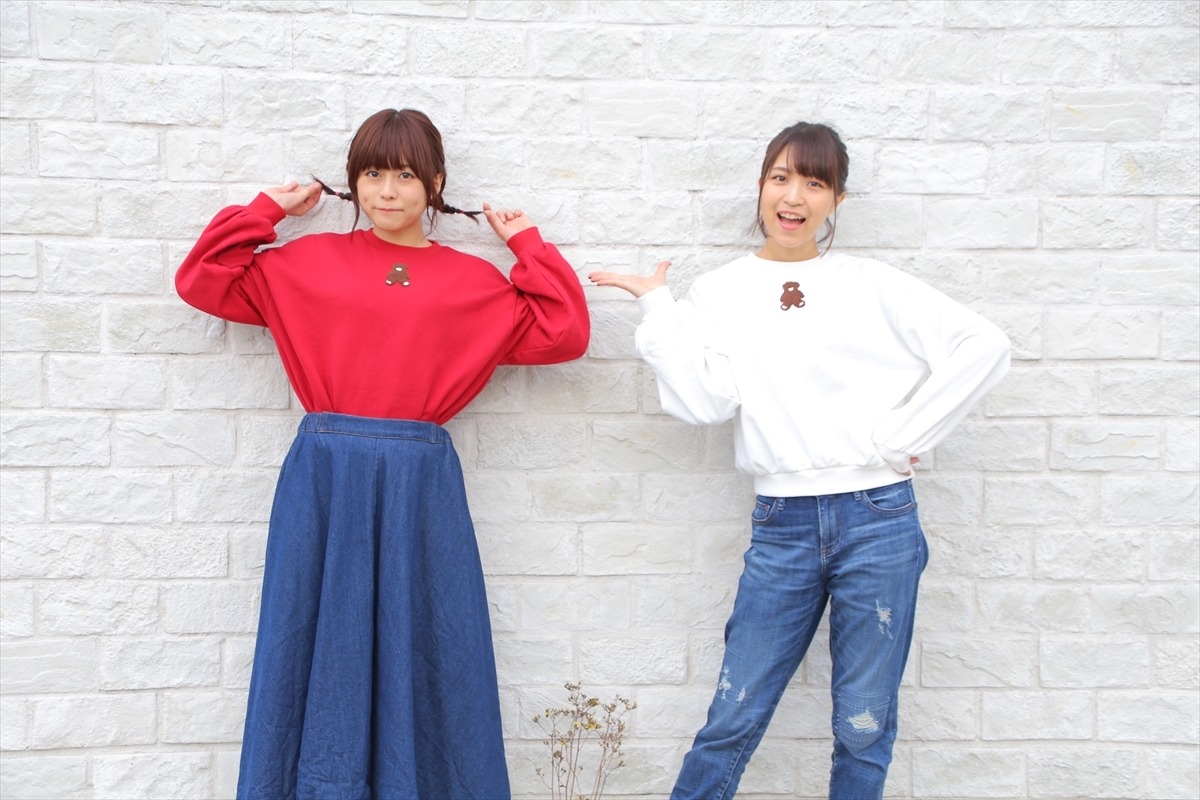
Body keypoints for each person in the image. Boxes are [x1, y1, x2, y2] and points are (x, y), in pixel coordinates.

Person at [176, 108, 590, 800]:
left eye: (404, 175)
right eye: (372, 174)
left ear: (435, 183)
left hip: (418, 482)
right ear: (353, 181)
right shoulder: (306, 262)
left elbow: (564, 331)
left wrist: (526, 244)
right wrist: (267, 210)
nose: (387, 191)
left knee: (429, 642)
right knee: (311, 638)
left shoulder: (471, 281)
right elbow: (204, 278)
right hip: (325, 476)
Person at [589, 121, 1010, 799]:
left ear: (836, 200)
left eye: (815, 183)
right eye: (781, 178)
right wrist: (659, 311)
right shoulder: (720, 291)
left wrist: (904, 435)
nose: (794, 197)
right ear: (761, 186)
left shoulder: (871, 283)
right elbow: (705, 402)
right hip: (781, 523)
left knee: (863, 724)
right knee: (733, 716)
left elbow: (983, 345)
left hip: (879, 520)